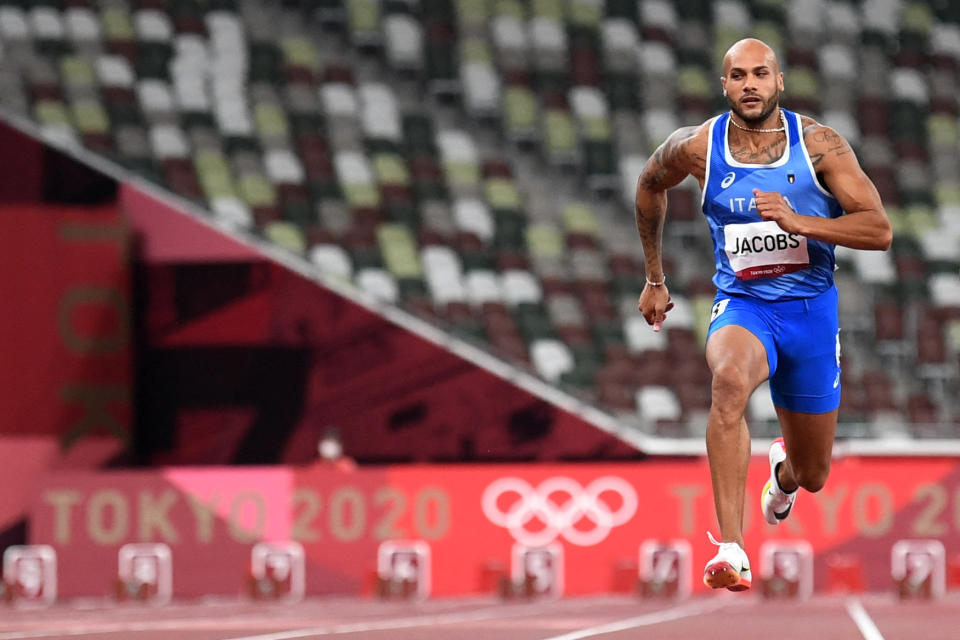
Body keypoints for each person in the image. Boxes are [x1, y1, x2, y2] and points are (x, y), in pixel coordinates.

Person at [633, 38, 892, 592]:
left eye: (760, 74)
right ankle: (731, 547)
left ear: (779, 82)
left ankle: (783, 474)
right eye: (737, 75)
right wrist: (655, 277)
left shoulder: (820, 144)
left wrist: (804, 223)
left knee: (814, 474)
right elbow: (650, 185)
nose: (749, 84)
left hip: (811, 313)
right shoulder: (698, 146)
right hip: (745, 305)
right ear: (723, 84)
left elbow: (879, 229)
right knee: (728, 382)